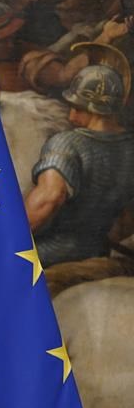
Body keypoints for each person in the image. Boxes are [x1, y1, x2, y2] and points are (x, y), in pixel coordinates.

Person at [26, 63, 134, 273]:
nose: (71, 116)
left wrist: (5, 236)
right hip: (98, 251)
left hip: (50, 253)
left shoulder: (67, 143)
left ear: (92, 107)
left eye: (77, 107)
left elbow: (49, 198)